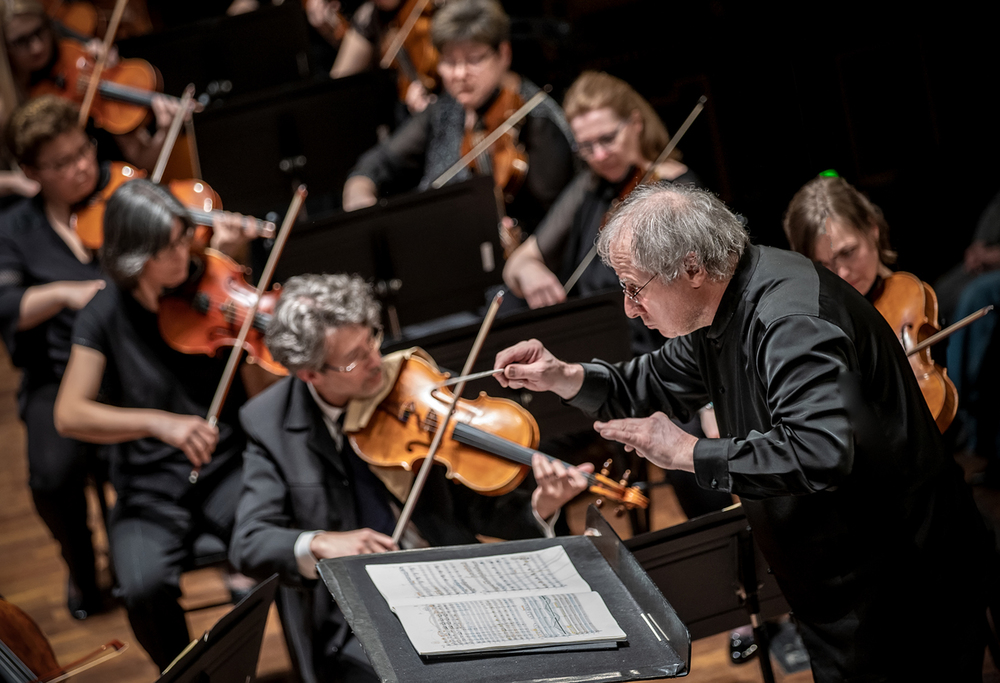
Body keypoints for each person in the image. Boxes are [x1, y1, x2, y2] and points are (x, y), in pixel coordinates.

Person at [492, 182, 990, 682]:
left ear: (691, 269)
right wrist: (561, 375)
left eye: (634, 287)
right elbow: (649, 382)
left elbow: (817, 451)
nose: (629, 307)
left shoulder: (789, 320)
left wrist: (690, 451)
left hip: (902, 584)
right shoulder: (718, 305)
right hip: (839, 585)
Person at [229, 272, 592, 683]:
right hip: (355, 618)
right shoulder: (269, 423)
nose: (374, 362)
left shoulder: (415, 386)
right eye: (353, 358)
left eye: (372, 339)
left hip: (447, 578)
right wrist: (320, 542)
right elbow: (249, 542)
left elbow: (476, 511)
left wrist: (541, 506)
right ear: (310, 373)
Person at [52, 179, 265, 669]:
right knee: (141, 588)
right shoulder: (103, 313)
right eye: (169, 246)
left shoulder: (211, 283)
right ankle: (190, 678)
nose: (186, 250)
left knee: (278, 542)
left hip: (224, 468)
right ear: (135, 256)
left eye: (183, 236)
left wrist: (242, 291)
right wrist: (159, 424)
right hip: (147, 487)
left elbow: (260, 391)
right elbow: (69, 413)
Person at [342, 0, 575, 241]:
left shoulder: (538, 123)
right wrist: (360, 196)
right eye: (449, 62)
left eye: (474, 60)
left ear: (503, 54)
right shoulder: (448, 107)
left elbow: (558, 225)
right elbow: (375, 164)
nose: (459, 74)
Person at [0, 94, 106, 619]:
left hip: (130, 362)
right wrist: (66, 292)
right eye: (64, 163)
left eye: (84, 150)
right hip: (56, 374)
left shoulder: (121, 195)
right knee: (50, 476)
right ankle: (82, 568)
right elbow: (8, 308)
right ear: (31, 172)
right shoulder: (15, 228)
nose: (84, 167)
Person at [2, 0, 182, 173]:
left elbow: (143, 161)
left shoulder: (81, 57)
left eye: (39, 31)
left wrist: (165, 130)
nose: (36, 47)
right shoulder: (9, 103)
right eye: (21, 41)